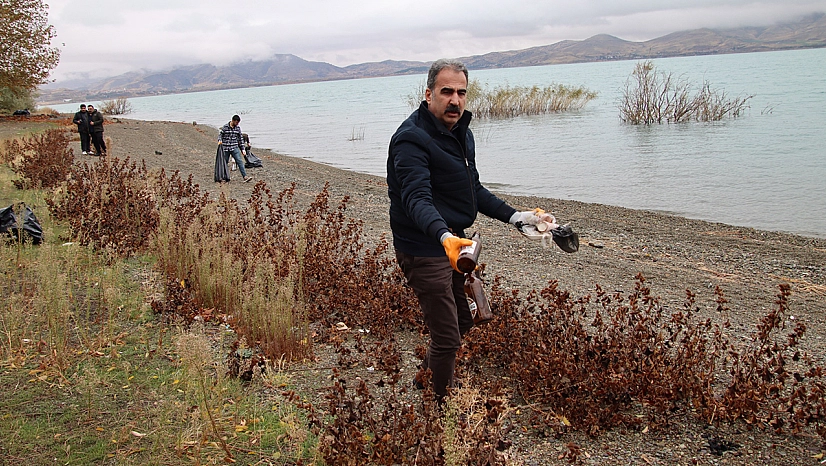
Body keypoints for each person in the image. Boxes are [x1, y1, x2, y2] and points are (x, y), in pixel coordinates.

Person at [387, 58, 549, 401]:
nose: (455, 100)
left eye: (461, 92)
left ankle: (427, 377)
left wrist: (516, 217)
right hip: (424, 246)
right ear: (429, 93)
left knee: (462, 320)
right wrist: (443, 236)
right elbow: (417, 200)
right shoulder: (410, 140)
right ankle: (442, 408)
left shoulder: (462, 134)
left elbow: (472, 190)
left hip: (455, 244)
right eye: (447, 92)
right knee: (447, 336)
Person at [218, 115, 252, 182]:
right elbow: (220, 135)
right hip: (225, 148)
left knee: (239, 161)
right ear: (232, 120)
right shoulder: (225, 127)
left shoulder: (238, 128)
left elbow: (240, 139)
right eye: (236, 122)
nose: (237, 124)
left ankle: (245, 176)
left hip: (234, 147)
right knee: (225, 162)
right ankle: (223, 177)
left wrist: (243, 149)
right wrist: (220, 140)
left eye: (238, 123)